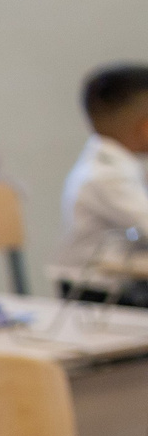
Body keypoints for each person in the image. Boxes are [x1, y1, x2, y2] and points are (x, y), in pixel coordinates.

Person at [54, 63, 148, 301]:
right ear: (145, 127)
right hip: (93, 293)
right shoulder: (107, 175)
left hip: (117, 285)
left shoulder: (116, 165)